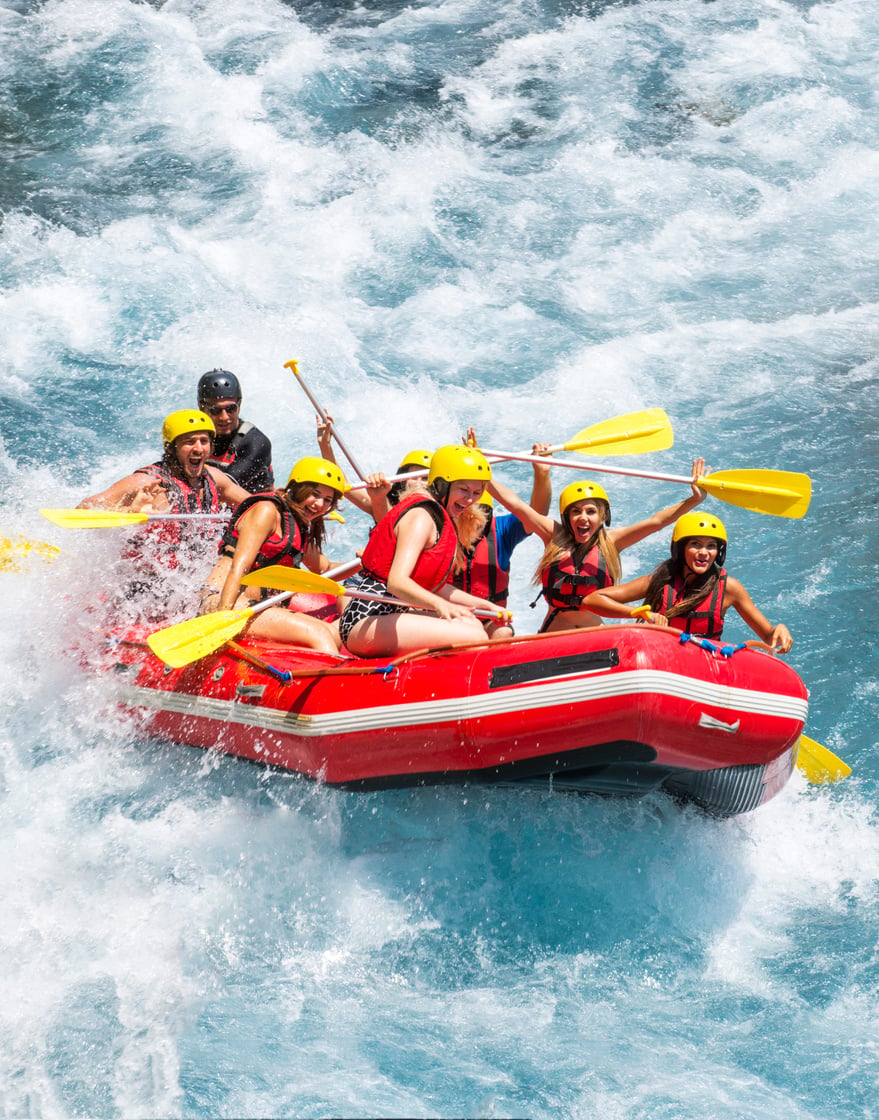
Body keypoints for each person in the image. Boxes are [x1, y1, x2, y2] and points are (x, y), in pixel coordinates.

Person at [483, 459, 707, 632]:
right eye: (576, 511)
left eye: (591, 512)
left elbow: (657, 522)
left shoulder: (612, 541)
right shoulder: (553, 535)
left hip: (595, 632)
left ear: (602, 517)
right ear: (566, 517)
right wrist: (481, 471)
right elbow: (516, 505)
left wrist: (694, 499)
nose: (583, 517)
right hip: (553, 632)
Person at [339, 445, 508, 658]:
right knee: (475, 638)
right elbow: (397, 582)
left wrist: (487, 606)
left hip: (389, 613)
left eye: (476, 492)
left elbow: (436, 587)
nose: (470, 500)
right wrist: (440, 606)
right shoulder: (421, 516)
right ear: (441, 485)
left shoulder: (439, 517)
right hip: (364, 619)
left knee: (473, 624)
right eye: (463, 490)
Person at [76, 409, 251, 611]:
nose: (198, 448)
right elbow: (84, 508)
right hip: (143, 589)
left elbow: (255, 506)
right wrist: (128, 512)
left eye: (204, 441)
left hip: (193, 581)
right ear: (171, 448)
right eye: (189, 441)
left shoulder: (214, 478)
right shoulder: (147, 482)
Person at [581, 511, 794, 652]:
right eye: (695, 544)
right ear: (680, 548)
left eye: (711, 546)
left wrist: (779, 630)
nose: (704, 553)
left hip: (706, 664)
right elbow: (592, 600)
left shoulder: (729, 588)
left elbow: (768, 636)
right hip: (663, 661)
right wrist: (639, 612)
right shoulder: (659, 582)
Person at [198, 457, 346, 654]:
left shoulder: (299, 523)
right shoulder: (267, 511)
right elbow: (239, 567)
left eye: (327, 500)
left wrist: (367, 561)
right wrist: (222, 619)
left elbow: (324, 569)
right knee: (319, 634)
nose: (319, 504)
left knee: (332, 633)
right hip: (222, 600)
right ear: (298, 488)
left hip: (257, 606)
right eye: (314, 494)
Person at [451, 431, 552, 640]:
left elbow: (536, 515)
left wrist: (541, 474)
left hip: (489, 620)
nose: (476, 521)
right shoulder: (440, 528)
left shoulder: (500, 532)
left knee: (503, 633)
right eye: (469, 514)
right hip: (449, 616)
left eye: (483, 514)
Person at [197, 368, 274, 492]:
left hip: (255, 508)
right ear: (201, 407)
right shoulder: (193, 438)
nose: (224, 417)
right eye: (215, 410)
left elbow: (225, 488)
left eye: (231, 409)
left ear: (240, 404)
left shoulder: (257, 442)